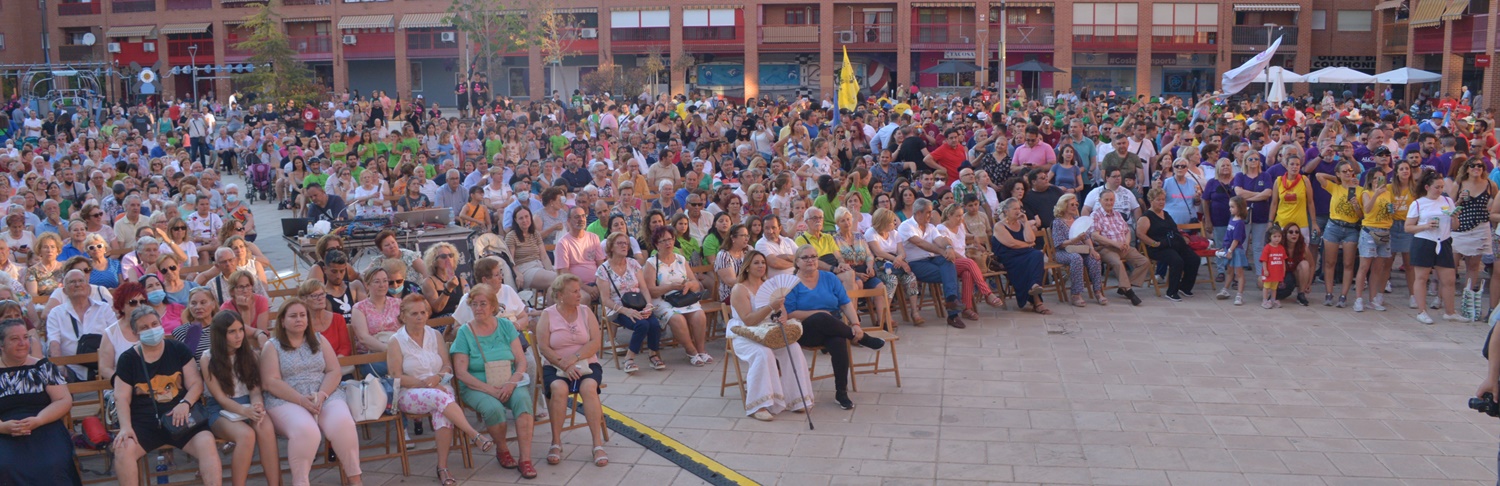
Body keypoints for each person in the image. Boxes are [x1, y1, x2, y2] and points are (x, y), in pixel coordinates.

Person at [387, 295, 495, 484]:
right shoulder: (396, 341)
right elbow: (396, 377)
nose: (420, 317)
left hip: (441, 388)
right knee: (440, 397)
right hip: (410, 392)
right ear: (403, 316)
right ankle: (474, 435)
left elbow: (447, 366)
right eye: (414, 314)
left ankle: (442, 468)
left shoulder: (434, 335)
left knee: (442, 412)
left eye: (423, 312)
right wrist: (427, 383)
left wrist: (437, 377)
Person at [111, 307, 224, 486]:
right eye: (145, 327)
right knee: (122, 449)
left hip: (180, 419)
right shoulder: (128, 359)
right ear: (135, 333)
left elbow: (196, 384)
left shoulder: (177, 349)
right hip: (144, 423)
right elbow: (121, 397)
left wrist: (185, 403)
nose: (151, 329)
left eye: (154, 324)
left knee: (207, 443)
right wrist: (125, 427)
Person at [260, 299, 365, 486]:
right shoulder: (272, 346)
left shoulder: (319, 339)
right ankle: (300, 482)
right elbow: (270, 382)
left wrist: (323, 395)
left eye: (302, 315)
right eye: (293, 316)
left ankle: (355, 480)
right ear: (282, 321)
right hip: (287, 399)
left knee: (343, 423)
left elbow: (334, 371)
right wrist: (301, 400)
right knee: (307, 431)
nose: (299, 319)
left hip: (323, 393)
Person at [449, 283, 537, 478]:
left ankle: (525, 459)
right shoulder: (465, 332)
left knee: (523, 402)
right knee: (494, 408)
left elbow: (521, 362)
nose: (478, 308)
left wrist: (512, 382)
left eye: (483, 304)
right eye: (474, 304)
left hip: (509, 381)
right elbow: (461, 373)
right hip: (476, 385)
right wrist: (490, 389)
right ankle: (503, 449)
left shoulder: (506, 326)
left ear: (493, 306)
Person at [784, 244, 885, 410]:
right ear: (797, 262)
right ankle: (864, 339)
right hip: (804, 330)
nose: (811, 260)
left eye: (814, 256)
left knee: (838, 341)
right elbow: (789, 314)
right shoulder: (791, 283)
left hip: (834, 327)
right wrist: (819, 312)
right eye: (805, 257)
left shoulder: (829, 278)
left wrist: (856, 324)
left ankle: (841, 393)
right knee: (822, 317)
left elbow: (845, 304)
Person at [727, 250, 812, 421]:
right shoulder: (739, 289)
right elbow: (748, 320)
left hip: (769, 331)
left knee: (793, 347)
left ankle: (796, 398)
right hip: (745, 334)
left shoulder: (770, 285)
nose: (761, 266)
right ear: (748, 267)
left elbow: (783, 313)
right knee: (763, 353)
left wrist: (781, 316)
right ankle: (760, 404)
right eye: (756, 263)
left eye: (763, 263)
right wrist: (770, 307)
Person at [535, 274, 608, 467]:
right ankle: (556, 442)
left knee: (589, 387)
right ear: (560, 295)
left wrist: (574, 359)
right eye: (574, 291)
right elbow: (543, 347)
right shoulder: (548, 314)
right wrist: (564, 364)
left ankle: (597, 445)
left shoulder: (585, 311)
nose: (580, 294)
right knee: (559, 389)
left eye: (579, 290)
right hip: (556, 365)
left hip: (586, 363)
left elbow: (595, 342)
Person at [201, 310, 281, 486]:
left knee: (265, 428)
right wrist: (244, 410)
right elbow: (220, 398)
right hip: (222, 410)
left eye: (240, 330)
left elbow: (254, 390)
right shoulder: (208, 358)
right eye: (232, 332)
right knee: (246, 435)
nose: (238, 336)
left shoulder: (250, 355)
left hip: (249, 404)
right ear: (220, 335)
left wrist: (257, 406)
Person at [0, 317, 81, 486]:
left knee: (53, 464)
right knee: (6, 466)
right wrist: (3, 427)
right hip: (4, 430)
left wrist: (39, 420)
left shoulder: (43, 367)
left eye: (25, 337)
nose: (22, 343)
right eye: (14, 339)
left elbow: (63, 400)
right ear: (1, 345)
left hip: (45, 424)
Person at [597, 232, 664, 373]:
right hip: (617, 308)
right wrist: (625, 311)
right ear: (611, 247)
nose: (624, 246)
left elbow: (644, 288)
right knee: (642, 325)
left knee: (654, 323)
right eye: (619, 243)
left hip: (637, 303)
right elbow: (605, 300)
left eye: (626, 243)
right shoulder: (603, 270)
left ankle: (653, 354)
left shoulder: (633, 263)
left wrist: (648, 305)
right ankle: (629, 358)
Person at [645, 226, 710, 366]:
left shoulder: (680, 259)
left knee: (699, 315)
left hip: (683, 297)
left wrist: (688, 285)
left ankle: (701, 350)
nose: (668, 243)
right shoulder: (651, 263)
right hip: (662, 300)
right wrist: (671, 287)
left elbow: (695, 283)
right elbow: (650, 290)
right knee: (677, 318)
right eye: (663, 241)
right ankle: (691, 351)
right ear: (657, 244)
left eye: (670, 239)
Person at [896, 198, 966, 327]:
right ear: (918, 213)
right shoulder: (906, 226)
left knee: (949, 262)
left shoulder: (931, 227)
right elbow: (921, 243)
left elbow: (941, 240)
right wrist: (943, 251)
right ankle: (953, 313)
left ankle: (951, 301)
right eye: (928, 212)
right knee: (949, 274)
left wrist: (949, 248)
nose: (931, 215)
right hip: (915, 263)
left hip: (933, 259)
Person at [1406, 169, 1460, 324]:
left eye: (1442, 187)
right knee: (1422, 277)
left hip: (1443, 240)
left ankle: (1450, 311)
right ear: (1427, 187)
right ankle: (1421, 311)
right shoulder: (1418, 203)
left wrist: (1455, 217)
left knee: (1449, 278)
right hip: (1424, 241)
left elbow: (1455, 226)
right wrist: (1425, 226)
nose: (1440, 190)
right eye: (1437, 187)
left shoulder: (1448, 201)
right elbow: (1408, 227)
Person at [1313, 160, 1364, 307]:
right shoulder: (1335, 187)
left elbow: (1361, 216)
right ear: (1338, 174)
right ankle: (1329, 293)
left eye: (1350, 171)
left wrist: (1356, 206)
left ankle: (1343, 295)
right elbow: (1318, 175)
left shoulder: (1359, 190)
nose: (1348, 173)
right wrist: (1336, 179)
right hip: (1334, 226)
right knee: (1329, 262)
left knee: (1348, 263)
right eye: (1344, 171)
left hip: (1351, 228)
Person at [47, 269, 113, 379]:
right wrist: (59, 367)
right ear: (65, 290)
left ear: (88, 287)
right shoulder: (56, 313)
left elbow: (115, 337)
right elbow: (54, 343)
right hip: (71, 371)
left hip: (104, 367)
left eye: (81, 281)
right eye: (72, 282)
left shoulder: (104, 308)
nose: (77, 285)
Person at [1137, 188, 1200, 301]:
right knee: (1177, 261)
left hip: (1173, 243)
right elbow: (1140, 234)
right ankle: (1171, 292)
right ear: (1151, 200)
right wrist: (1154, 243)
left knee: (1194, 259)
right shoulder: (1146, 217)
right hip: (1158, 247)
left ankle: (1184, 287)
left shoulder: (1165, 214)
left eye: (1163, 199)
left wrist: (1184, 236)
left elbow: (1174, 228)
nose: (1161, 202)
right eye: (1158, 200)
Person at [992, 198, 1051, 314]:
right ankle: (1037, 301)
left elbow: (1031, 239)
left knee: (1038, 254)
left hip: (1023, 253)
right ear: (1006, 211)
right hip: (1008, 256)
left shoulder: (1021, 222)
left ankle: (1034, 286)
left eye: (1019, 208)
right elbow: (1011, 243)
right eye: (1014, 209)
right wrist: (1028, 245)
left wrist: (1025, 222)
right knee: (1029, 260)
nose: (1018, 211)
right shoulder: (999, 226)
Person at [1051, 194, 1106, 306]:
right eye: (1072, 204)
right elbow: (1059, 244)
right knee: (1076, 258)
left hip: (1080, 249)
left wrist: (1091, 249)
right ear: (1064, 205)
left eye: (1076, 204)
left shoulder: (1077, 219)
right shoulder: (1058, 222)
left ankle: (1098, 291)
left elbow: (1086, 237)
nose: (1075, 206)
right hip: (1063, 252)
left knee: (1094, 258)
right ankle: (1076, 294)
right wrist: (1075, 239)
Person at [1353, 166, 1394, 312]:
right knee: (1364, 266)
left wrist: (1392, 209)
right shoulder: (1366, 192)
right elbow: (1367, 210)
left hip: (1385, 230)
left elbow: (1389, 211)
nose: (1378, 181)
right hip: (1370, 230)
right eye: (1375, 178)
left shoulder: (1388, 193)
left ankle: (1372, 299)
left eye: (1380, 178)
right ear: (1370, 180)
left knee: (1378, 267)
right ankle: (1358, 298)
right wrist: (1376, 194)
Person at [506, 206, 559, 294]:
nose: (525, 220)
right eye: (521, 218)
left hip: (539, 265)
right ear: (516, 220)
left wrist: (550, 269)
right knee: (557, 279)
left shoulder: (535, 234)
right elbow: (510, 260)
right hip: (524, 269)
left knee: (565, 277)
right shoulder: (511, 236)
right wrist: (518, 274)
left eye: (527, 216)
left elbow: (544, 256)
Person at [350, 266, 400, 358]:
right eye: (377, 282)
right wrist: (388, 349)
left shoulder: (398, 303)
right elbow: (363, 337)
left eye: (385, 281)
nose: (382, 285)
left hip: (398, 350)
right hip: (371, 356)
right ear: (367, 285)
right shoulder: (359, 308)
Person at [1216, 197, 1250, 305]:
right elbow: (1228, 235)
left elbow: (1236, 239)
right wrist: (1224, 247)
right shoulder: (1232, 219)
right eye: (1230, 206)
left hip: (1236, 250)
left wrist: (1230, 250)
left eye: (1232, 207)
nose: (1230, 209)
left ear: (1239, 208)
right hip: (1229, 248)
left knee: (1239, 273)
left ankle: (1239, 295)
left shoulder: (1239, 223)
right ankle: (1225, 289)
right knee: (1229, 271)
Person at [222, 269, 270, 345]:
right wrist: (245, 310)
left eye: (248, 286)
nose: (245, 290)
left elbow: (261, 332)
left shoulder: (261, 301)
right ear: (232, 291)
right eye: (240, 287)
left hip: (259, 343)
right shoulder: (226, 308)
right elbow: (242, 337)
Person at [173, 287, 220, 359]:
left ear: (213, 304)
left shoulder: (222, 327)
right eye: (193, 303)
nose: (198, 307)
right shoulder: (181, 332)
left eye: (203, 302)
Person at [421, 243, 465, 319]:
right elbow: (437, 308)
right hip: (441, 321)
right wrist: (448, 289)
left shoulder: (462, 281)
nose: (448, 259)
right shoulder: (429, 282)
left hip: (460, 319)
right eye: (443, 256)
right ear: (434, 261)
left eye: (451, 255)